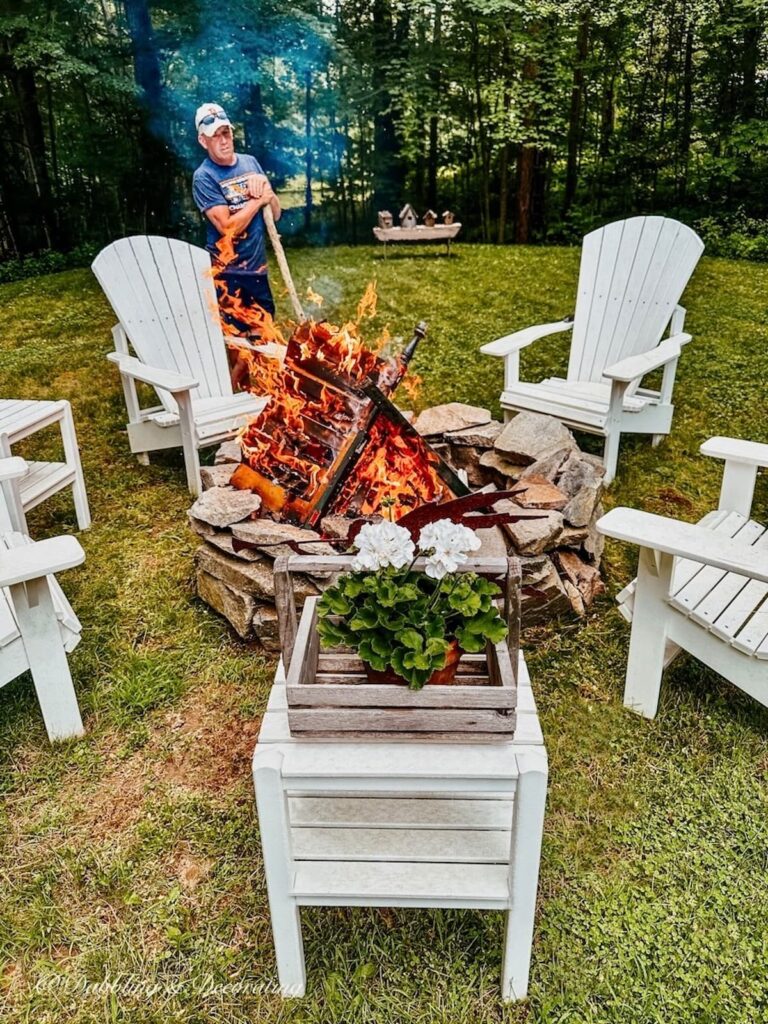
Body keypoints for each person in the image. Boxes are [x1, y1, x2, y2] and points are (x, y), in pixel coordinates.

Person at [192, 102, 281, 324]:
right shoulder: (204, 177)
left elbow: (276, 214)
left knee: (264, 341)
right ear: (203, 141)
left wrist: (268, 194)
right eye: (216, 136)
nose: (224, 141)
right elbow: (227, 228)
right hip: (227, 275)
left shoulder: (250, 162)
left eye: (226, 133)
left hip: (257, 270)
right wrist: (257, 200)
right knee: (237, 345)